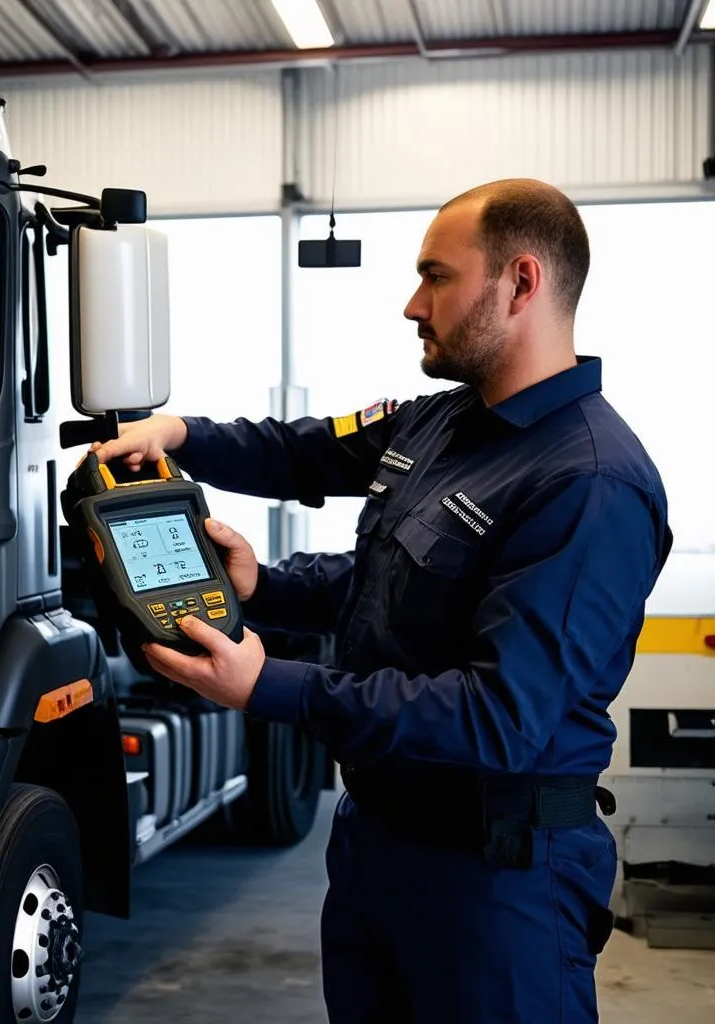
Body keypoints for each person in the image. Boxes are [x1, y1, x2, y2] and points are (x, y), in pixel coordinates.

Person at [93, 178, 672, 1023]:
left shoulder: (587, 481)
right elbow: (305, 463)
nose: (412, 304)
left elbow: (501, 716)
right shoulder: (436, 425)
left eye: (436, 277)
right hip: (379, 845)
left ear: (520, 283)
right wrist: (185, 449)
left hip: (495, 880)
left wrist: (271, 687)